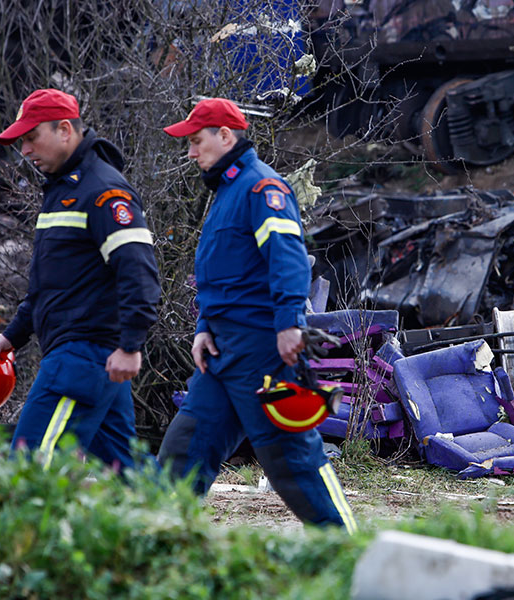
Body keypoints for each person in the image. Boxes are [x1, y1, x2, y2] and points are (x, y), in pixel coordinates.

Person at [159, 98, 356, 533]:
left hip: (261, 348)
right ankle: (162, 547)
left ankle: (344, 548)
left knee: (291, 458)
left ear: (225, 136)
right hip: (222, 353)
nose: (191, 152)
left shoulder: (262, 188)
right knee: (183, 451)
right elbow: (224, 274)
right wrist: (204, 327)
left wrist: (289, 323)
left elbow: (287, 258)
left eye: (196, 141)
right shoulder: (227, 191)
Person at [0, 88, 161, 471]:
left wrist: (131, 345)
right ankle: (173, 528)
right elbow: (50, 285)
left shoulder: (103, 192)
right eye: (20, 142)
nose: (25, 151)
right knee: (129, 474)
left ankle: (21, 534)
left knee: (31, 466)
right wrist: (12, 334)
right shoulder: (62, 191)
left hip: (81, 357)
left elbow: (139, 270)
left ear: (65, 129)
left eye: (32, 138)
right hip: (88, 358)